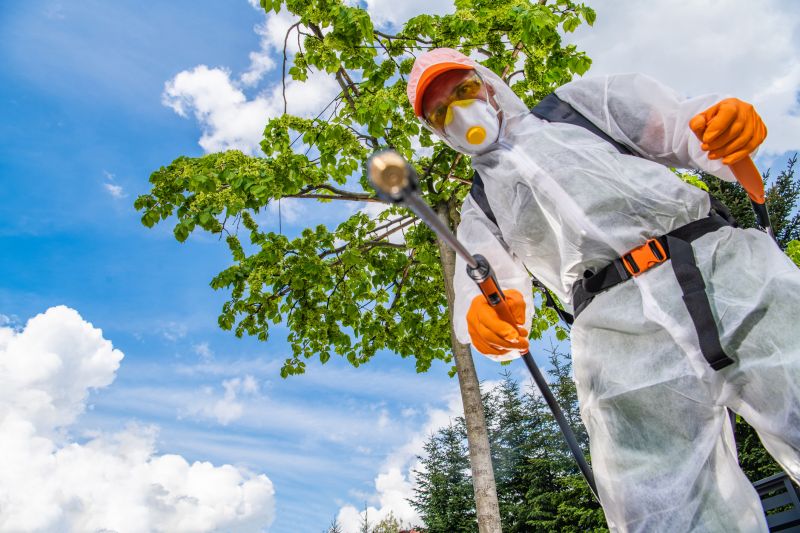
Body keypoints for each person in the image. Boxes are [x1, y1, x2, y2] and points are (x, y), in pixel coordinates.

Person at [406, 47, 800, 532]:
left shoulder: (579, 107)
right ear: (437, 131)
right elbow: (488, 285)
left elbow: (684, 126)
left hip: (725, 269)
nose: (460, 112)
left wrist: (721, 124)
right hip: (617, 338)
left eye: (463, 90)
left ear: (487, 84)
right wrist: (485, 317)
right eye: (441, 112)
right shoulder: (480, 206)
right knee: (662, 508)